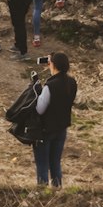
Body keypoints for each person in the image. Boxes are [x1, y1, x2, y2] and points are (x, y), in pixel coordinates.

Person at [32, 52, 77, 189]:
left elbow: (40, 109)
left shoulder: (50, 86)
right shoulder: (72, 82)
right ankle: (57, 189)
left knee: (42, 164)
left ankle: (42, 192)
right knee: (55, 163)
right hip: (61, 128)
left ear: (53, 65)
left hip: (46, 129)